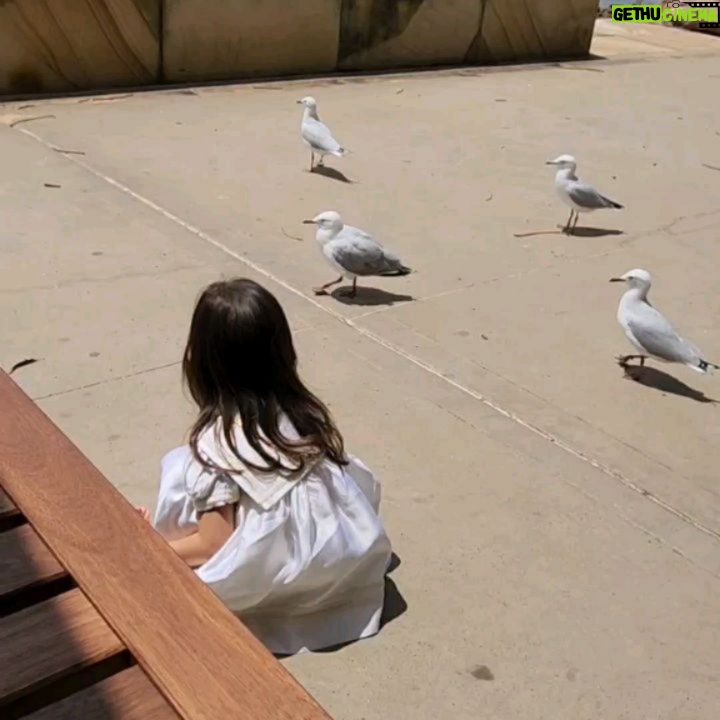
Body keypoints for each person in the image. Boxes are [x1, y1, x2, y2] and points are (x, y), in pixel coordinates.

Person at [144, 278, 392, 656]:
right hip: (341, 568)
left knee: (180, 472)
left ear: (199, 360)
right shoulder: (301, 413)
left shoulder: (216, 444)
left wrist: (149, 546)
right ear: (283, 353)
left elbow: (213, 545)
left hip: (273, 581)